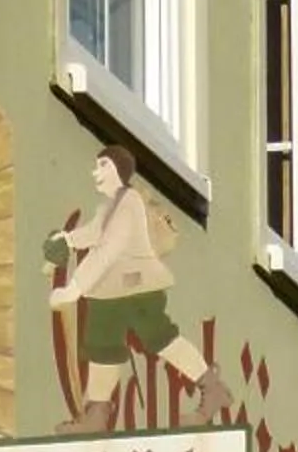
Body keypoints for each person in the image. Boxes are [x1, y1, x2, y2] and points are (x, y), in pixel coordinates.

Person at [48, 145, 227, 429]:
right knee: (103, 347)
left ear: (118, 170)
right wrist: (68, 240)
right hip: (111, 293)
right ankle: (96, 415)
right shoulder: (109, 206)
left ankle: (211, 387)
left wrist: (74, 289)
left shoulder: (129, 202)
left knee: (160, 338)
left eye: (103, 165)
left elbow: (108, 250)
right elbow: (94, 233)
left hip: (137, 289)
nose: (96, 172)